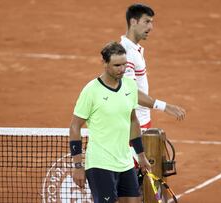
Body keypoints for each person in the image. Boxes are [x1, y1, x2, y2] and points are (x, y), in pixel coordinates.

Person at [69, 41, 151, 203]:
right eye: (116, 65)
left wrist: (141, 156)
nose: (122, 69)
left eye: (124, 64)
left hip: (125, 162)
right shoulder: (91, 90)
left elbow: (133, 120)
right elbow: (75, 126)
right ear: (105, 63)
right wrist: (78, 165)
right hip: (100, 164)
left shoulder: (129, 86)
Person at [120, 3, 186, 129]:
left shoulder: (133, 49)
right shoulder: (126, 53)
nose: (151, 27)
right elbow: (130, 92)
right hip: (133, 125)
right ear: (133, 22)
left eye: (151, 22)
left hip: (140, 121)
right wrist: (165, 107)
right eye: (147, 22)